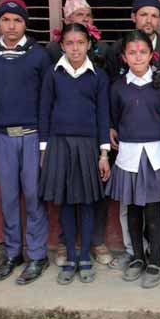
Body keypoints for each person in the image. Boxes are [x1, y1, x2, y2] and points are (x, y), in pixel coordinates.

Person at [106, 0, 160, 271]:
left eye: (143, 52)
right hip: (128, 154)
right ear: (124, 56)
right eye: (132, 53)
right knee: (133, 210)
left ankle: (155, 260)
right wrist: (112, 129)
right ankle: (137, 256)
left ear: (152, 55)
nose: (137, 57)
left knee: (154, 211)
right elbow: (114, 115)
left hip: (156, 155)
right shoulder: (117, 86)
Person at [0, 0, 51, 285]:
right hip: (2, 136)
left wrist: (45, 138)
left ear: (25, 24)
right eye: (6, 20)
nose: (11, 26)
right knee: (8, 197)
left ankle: (37, 254)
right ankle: (13, 253)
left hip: (33, 135)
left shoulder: (38, 55)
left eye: (17, 20)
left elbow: (47, 98)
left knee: (34, 196)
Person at [38, 23, 111, 284]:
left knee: (88, 201)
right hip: (59, 144)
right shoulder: (53, 74)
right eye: (70, 43)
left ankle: (84, 258)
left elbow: (104, 114)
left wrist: (104, 153)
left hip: (89, 145)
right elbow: (44, 112)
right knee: (67, 203)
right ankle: (69, 255)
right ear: (62, 46)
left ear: (89, 44)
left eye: (81, 42)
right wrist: (44, 149)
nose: (76, 48)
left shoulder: (98, 76)